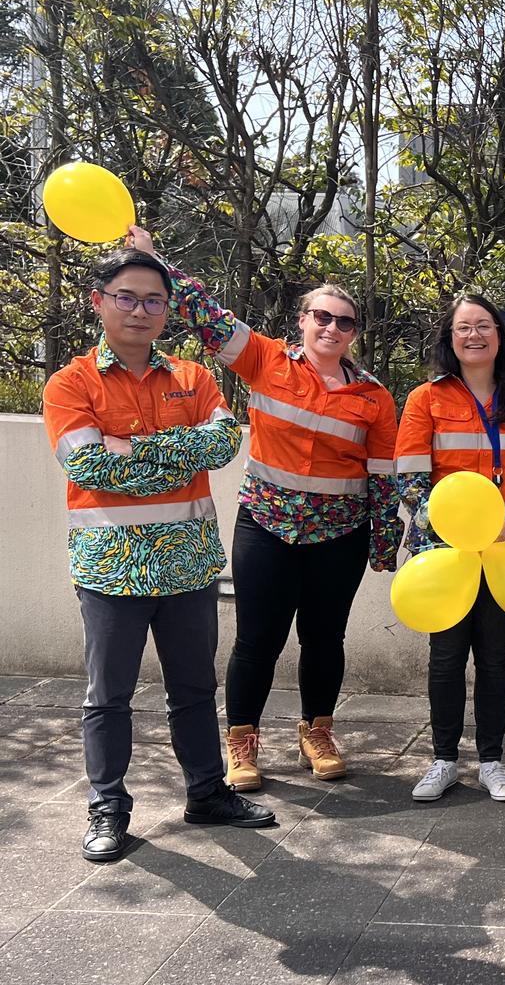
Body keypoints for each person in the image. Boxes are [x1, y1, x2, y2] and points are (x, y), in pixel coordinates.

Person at [43, 240, 274, 862]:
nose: (140, 310)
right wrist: (176, 447)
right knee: (108, 696)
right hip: (110, 569)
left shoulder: (194, 376)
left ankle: (207, 792)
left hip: (188, 564)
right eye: (126, 298)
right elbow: (86, 463)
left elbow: (223, 442)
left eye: (153, 299)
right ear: (99, 304)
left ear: (167, 309)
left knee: (194, 689)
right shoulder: (70, 383)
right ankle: (109, 808)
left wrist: (129, 451)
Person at [161, 232, 403, 791]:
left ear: (354, 333)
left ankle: (317, 731)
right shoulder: (264, 359)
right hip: (266, 527)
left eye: (345, 323)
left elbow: (383, 476)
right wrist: (155, 262)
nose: (332, 329)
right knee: (257, 640)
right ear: (302, 319)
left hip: (339, 535)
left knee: (325, 639)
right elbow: (204, 315)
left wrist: (384, 541)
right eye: (323, 317)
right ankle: (241, 741)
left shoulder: (375, 397)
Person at [395, 295, 505, 802]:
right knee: (445, 658)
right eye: (463, 327)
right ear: (449, 337)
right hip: (444, 556)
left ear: (499, 336)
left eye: (484, 326)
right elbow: (409, 480)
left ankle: (492, 760)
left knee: (495, 658)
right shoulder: (426, 398)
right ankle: (443, 759)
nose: (474, 336)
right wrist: (450, 528)